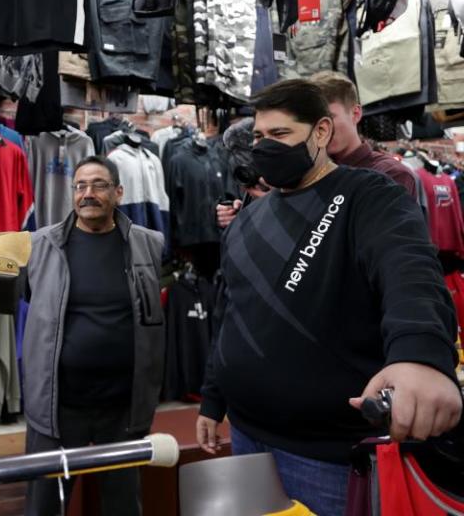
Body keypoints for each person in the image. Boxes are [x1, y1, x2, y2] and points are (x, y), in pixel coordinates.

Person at [196, 80, 462, 515]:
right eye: (259, 137)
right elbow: (231, 312)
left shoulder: (368, 195)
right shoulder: (247, 221)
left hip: (325, 456)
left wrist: (420, 355)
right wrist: (212, 398)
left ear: (320, 132)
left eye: (280, 135)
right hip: (245, 433)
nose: (265, 147)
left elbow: (410, 271)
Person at [21, 155, 165, 516]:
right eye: (80, 185)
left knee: (122, 506)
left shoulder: (147, 244)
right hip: (57, 407)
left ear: (118, 192)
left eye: (99, 185)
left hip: (122, 408)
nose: (88, 193)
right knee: (44, 507)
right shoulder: (41, 246)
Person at [310, 70, 418, 198]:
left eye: (329, 118)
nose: (322, 129)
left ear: (355, 114)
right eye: (313, 120)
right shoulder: (309, 172)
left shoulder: (390, 174)